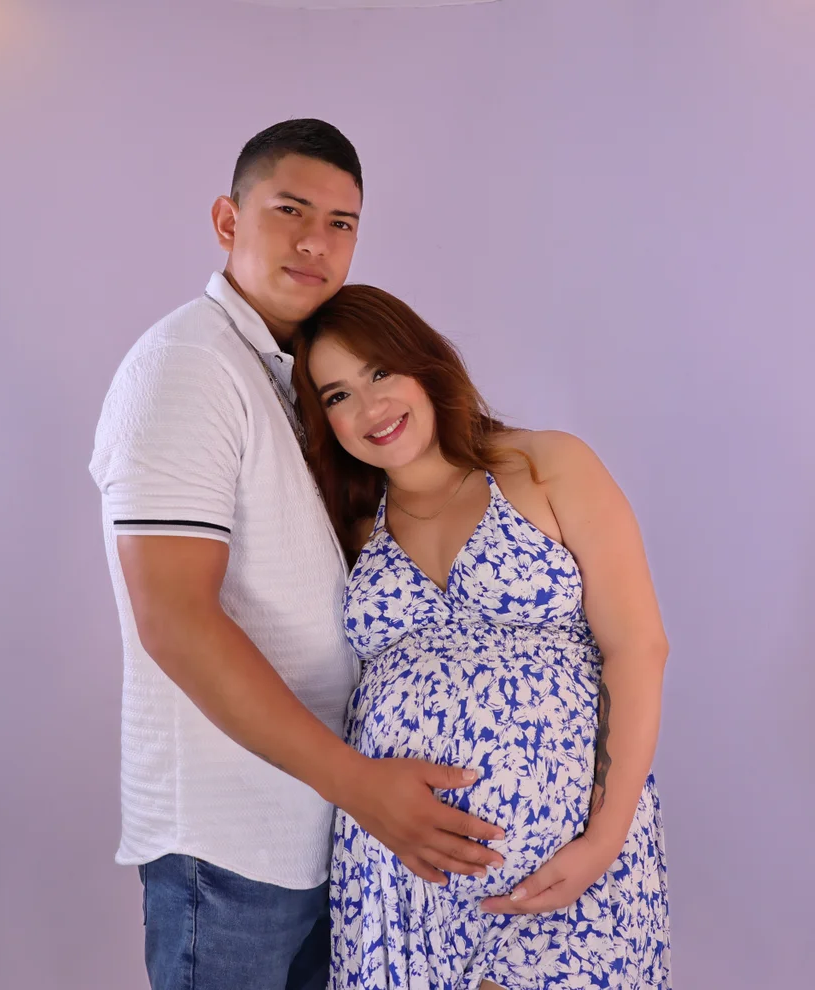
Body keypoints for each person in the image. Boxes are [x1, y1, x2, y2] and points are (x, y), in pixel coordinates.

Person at [89, 121, 503, 990]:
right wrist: (361, 786)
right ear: (227, 220)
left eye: (342, 222)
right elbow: (175, 621)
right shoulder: (187, 367)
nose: (317, 241)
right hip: (229, 847)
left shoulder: (290, 375)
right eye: (291, 210)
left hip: (314, 834)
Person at [292, 284, 672, 990]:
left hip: (566, 863)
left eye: (380, 372)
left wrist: (605, 838)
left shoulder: (545, 465)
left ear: (423, 361)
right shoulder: (350, 527)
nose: (371, 407)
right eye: (338, 395)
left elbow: (638, 648)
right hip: (401, 881)